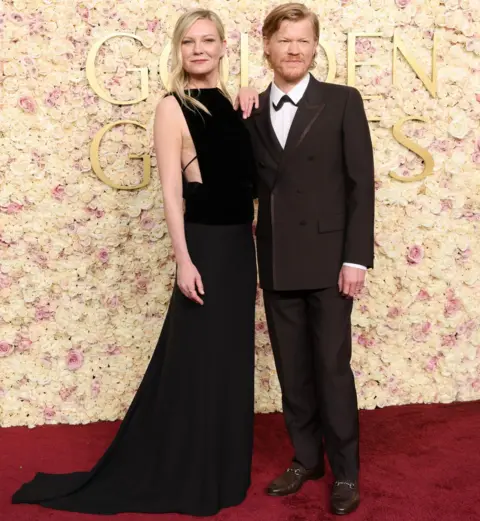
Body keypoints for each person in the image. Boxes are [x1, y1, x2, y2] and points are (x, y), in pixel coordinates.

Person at [12, 9, 257, 517]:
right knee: (197, 363)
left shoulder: (237, 104)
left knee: (229, 363)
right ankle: (188, 469)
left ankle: (223, 466)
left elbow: (246, 176)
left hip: (240, 249)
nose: (199, 50)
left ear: (223, 47)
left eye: (208, 41)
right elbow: (171, 193)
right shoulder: (172, 107)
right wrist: (183, 261)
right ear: (178, 50)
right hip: (205, 247)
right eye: (189, 42)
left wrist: (251, 96)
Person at [237, 3, 375, 515]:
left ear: (316, 46)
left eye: (303, 40)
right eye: (284, 40)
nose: (294, 49)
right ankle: (306, 457)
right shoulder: (248, 111)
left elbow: (362, 185)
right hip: (275, 259)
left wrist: (356, 259)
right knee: (291, 369)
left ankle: (346, 472)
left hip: (330, 262)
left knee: (331, 367)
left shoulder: (342, 101)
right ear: (267, 46)